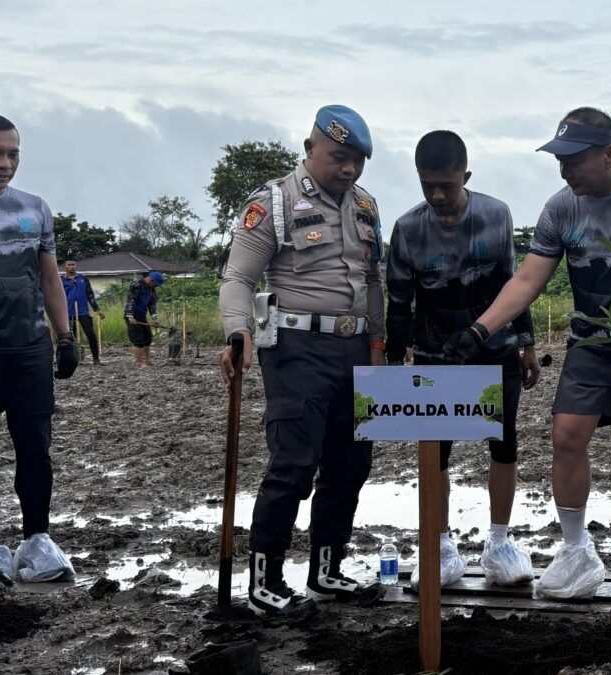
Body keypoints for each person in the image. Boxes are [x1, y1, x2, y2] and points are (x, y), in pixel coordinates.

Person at [442, 107, 611, 613]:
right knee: (565, 437)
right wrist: (480, 329)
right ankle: (576, 551)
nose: (565, 170)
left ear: (609, 154)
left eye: (574, 160)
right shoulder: (561, 208)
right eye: (560, 160)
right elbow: (527, 280)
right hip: (592, 339)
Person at [219, 105, 384, 618]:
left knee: (350, 464)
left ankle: (327, 571)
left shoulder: (366, 205)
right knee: (293, 464)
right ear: (310, 148)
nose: (349, 168)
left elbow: (373, 282)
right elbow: (238, 278)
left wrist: (379, 348)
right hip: (297, 350)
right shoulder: (274, 201)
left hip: (356, 349)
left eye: (358, 160)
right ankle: (265, 581)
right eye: (339, 157)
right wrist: (239, 331)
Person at [386, 131, 541, 589]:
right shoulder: (408, 229)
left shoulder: (496, 216)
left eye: (447, 186)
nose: (437, 196)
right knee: (435, 450)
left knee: (503, 443)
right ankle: (439, 546)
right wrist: (394, 361)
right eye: (427, 185)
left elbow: (515, 285)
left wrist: (527, 343)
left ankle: (500, 542)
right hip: (436, 356)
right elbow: (399, 302)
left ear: (466, 177)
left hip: (495, 350)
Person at [0, 113, 78, 584]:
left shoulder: (35, 209)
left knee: (35, 448)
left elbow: (49, 278)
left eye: (13, 154)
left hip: (28, 350)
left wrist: (65, 336)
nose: (5, 163)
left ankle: (37, 539)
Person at [62, 260, 106, 364]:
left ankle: (96, 358)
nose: (72, 267)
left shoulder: (83, 279)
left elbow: (90, 295)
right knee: (70, 337)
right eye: (69, 265)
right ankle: (72, 359)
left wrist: (97, 310)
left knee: (90, 334)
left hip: (83, 312)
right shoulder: (61, 280)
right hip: (68, 312)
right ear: (65, 267)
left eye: (73, 265)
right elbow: (58, 297)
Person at [124, 271, 163, 368]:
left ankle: (148, 361)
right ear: (151, 279)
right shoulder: (137, 285)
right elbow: (130, 299)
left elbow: (152, 304)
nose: (155, 286)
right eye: (155, 284)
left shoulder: (151, 289)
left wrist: (154, 319)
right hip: (133, 315)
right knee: (138, 339)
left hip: (142, 315)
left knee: (148, 338)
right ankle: (140, 363)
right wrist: (130, 316)